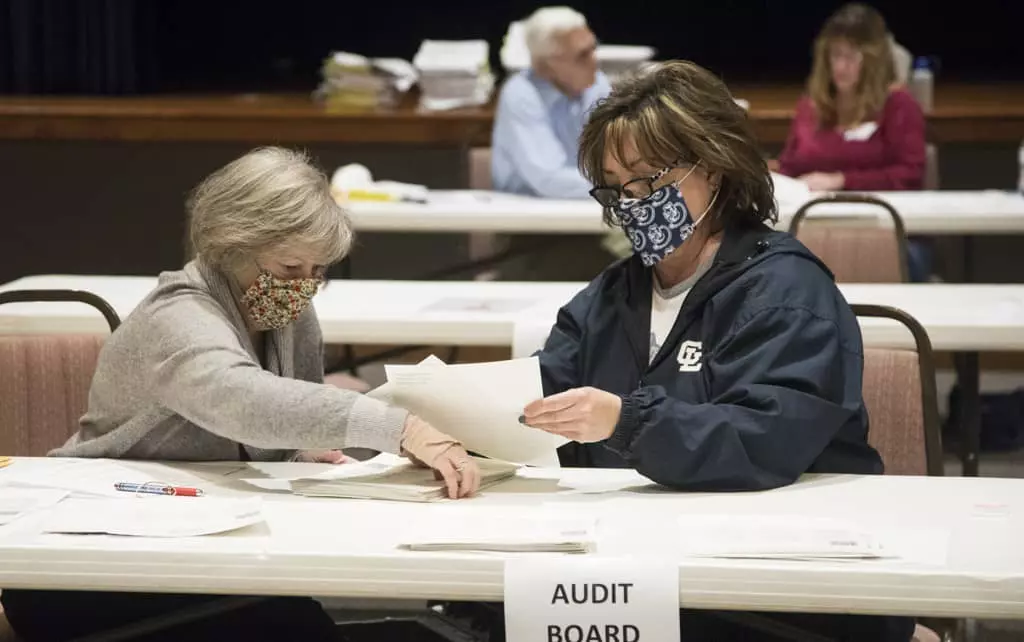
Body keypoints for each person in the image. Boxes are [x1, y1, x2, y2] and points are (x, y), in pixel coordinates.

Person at [0, 147, 480, 642]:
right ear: (231, 246)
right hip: (86, 561)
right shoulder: (177, 315)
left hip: (198, 544)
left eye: (318, 271)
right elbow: (238, 399)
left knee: (297, 620)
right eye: (290, 266)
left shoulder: (287, 311)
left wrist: (298, 448)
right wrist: (399, 427)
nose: (304, 287)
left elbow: (284, 410)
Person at [519, 60, 915, 641]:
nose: (633, 203)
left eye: (650, 181)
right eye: (616, 188)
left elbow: (762, 439)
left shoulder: (787, 293)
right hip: (635, 576)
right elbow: (540, 400)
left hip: (775, 591)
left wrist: (624, 421)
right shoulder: (610, 296)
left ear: (718, 169)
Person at [775, 3, 932, 282]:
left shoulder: (899, 107)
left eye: (852, 57)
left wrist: (841, 181)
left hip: (885, 232)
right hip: (814, 229)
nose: (840, 66)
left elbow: (909, 175)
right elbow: (789, 167)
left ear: (872, 61)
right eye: (835, 55)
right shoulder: (811, 108)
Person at [490, 6, 617, 281]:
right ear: (546, 65)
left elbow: (618, 153)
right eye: (582, 55)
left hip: (594, 221)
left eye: (594, 48)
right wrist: (620, 185)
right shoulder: (520, 95)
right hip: (532, 236)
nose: (595, 61)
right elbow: (548, 179)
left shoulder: (597, 86)